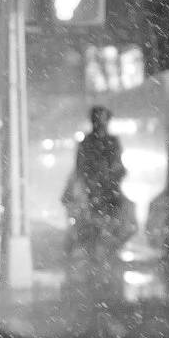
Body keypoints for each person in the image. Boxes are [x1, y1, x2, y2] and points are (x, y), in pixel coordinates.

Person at [63, 105, 133, 260]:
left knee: (126, 217)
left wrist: (114, 175)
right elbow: (80, 168)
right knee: (82, 221)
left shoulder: (112, 142)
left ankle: (105, 247)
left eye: (103, 119)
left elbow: (118, 165)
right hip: (92, 191)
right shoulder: (88, 143)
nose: (100, 123)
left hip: (107, 190)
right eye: (98, 119)